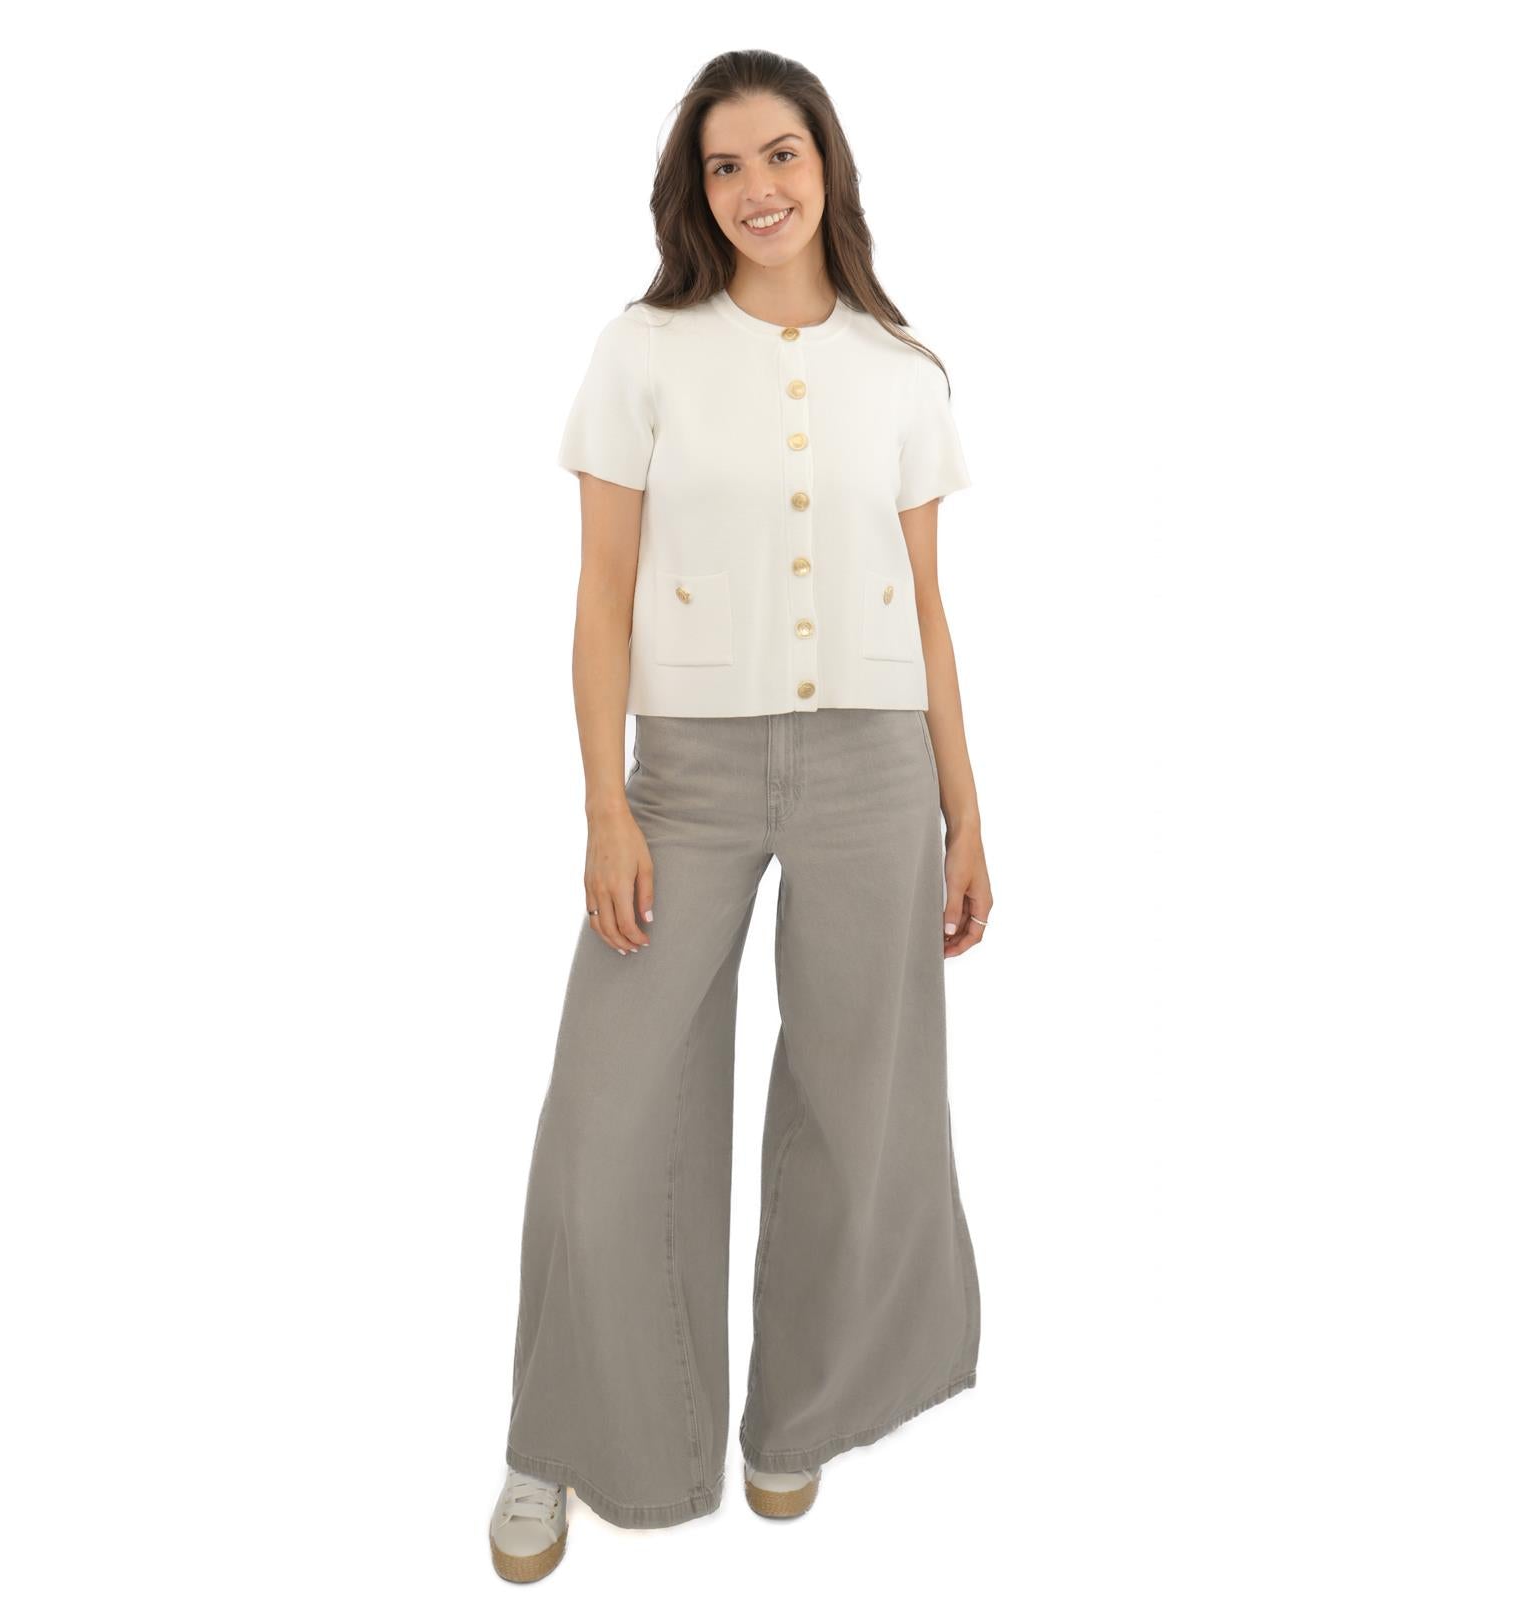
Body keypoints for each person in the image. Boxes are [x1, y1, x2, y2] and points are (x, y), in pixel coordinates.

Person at [488, 48, 992, 1583]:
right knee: (608, 1119)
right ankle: (569, 1443)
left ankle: (802, 1416)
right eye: (725, 165)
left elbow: (925, 606)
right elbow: (601, 593)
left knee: (863, 1105)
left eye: (781, 154)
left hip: (875, 770)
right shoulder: (642, 351)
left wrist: (966, 816)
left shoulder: (902, 373)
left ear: (826, 164)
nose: (758, 187)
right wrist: (604, 804)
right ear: (694, 192)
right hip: (687, 781)